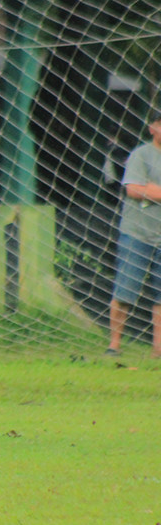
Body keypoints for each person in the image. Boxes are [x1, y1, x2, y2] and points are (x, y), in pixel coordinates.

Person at [106, 112, 161, 358]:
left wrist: (153, 189)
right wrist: (147, 189)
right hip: (137, 233)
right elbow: (134, 190)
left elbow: (146, 189)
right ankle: (114, 345)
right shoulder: (141, 154)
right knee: (125, 290)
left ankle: (158, 350)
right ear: (152, 128)